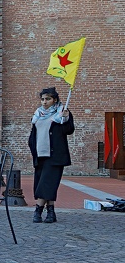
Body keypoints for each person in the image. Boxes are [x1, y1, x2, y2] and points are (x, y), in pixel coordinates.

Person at [28, 86, 74, 223]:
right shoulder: (38, 114)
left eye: (48, 99)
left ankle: (38, 210)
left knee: (46, 183)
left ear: (54, 100)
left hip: (55, 156)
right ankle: (51, 213)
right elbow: (33, 134)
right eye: (42, 99)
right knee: (47, 184)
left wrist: (65, 119)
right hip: (40, 155)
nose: (44, 102)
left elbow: (69, 130)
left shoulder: (62, 113)